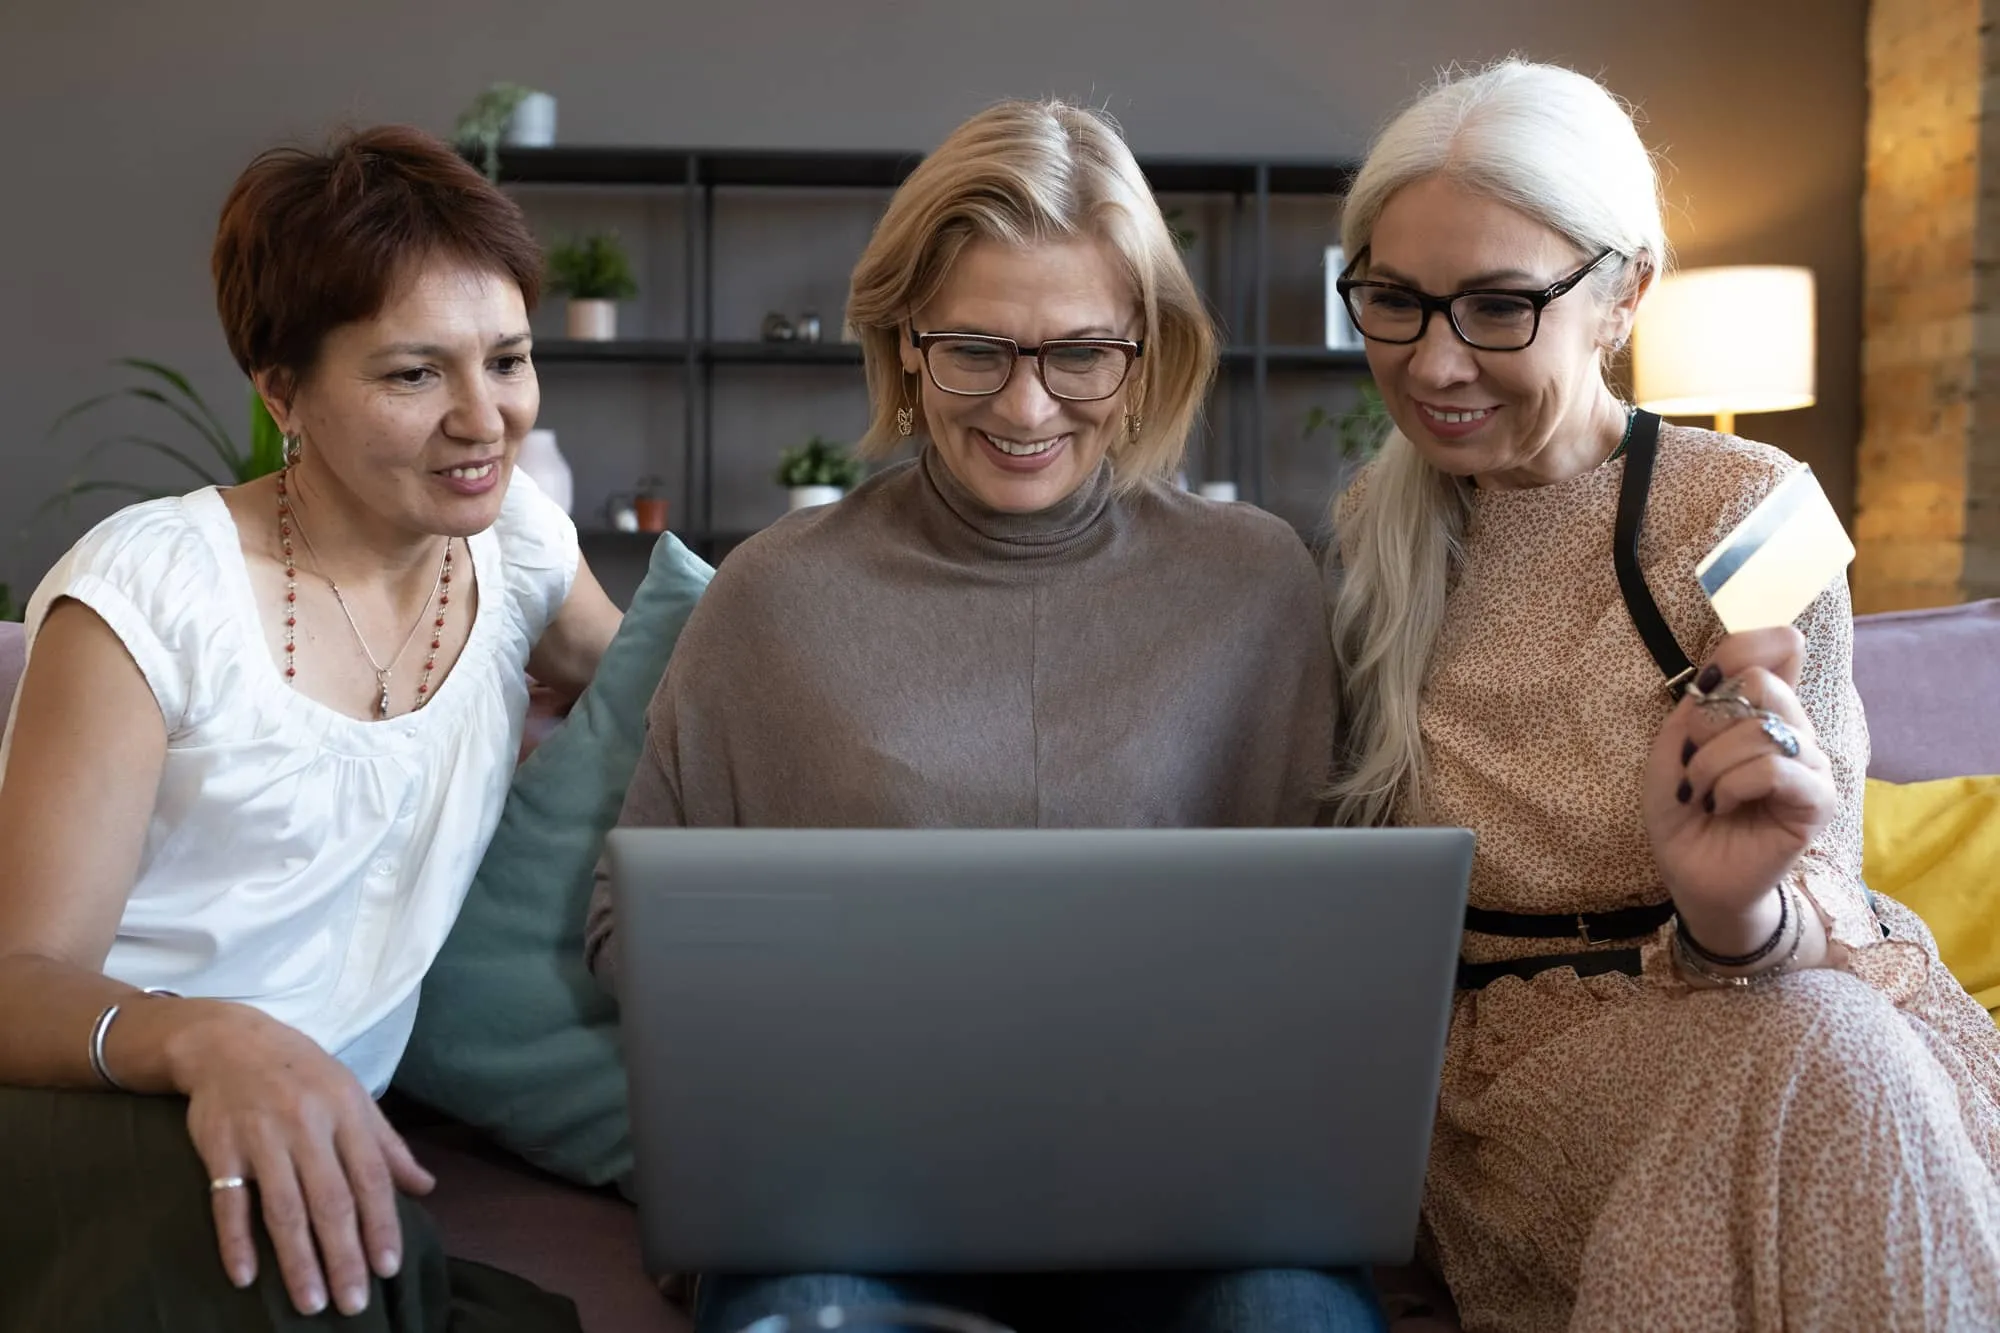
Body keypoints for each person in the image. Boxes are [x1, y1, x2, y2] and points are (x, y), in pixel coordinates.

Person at [585, 98, 1381, 1333]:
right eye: (974, 349)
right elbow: (622, 922)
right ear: (904, 343)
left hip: (1193, 1201)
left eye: (1077, 353)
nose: (1024, 409)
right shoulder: (776, 593)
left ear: (1142, 351)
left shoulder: (1257, 583)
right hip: (842, 1200)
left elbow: (1327, 939)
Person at [1323, 58, 2000, 1332]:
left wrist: (1728, 908)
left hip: (1776, 993)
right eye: (1392, 302)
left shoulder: (1760, 506)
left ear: (1621, 293)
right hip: (1514, 1075)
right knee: (1829, 1064)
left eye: (1498, 307)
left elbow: (1824, 876)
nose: (1433, 361)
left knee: (1827, 1047)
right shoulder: (1365, 531)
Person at [0, 126, 623, 1331]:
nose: (481, 418)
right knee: (283, 1260)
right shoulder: (153, 587)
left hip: (310, 1118)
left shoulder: (519, 544)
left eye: (507, 359)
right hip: (101, 1097)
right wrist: (211, 1042)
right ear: (281, 387)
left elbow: (681, 697)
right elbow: (17, 982)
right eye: (411, 374)